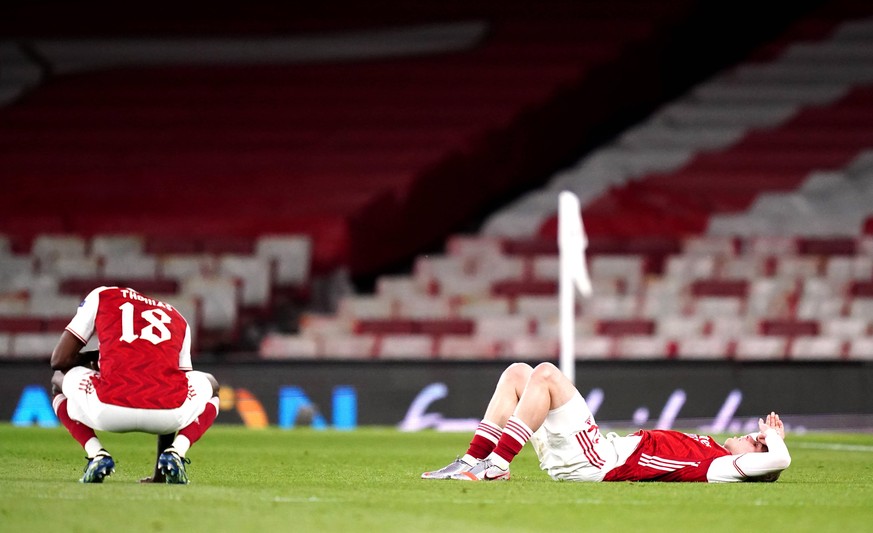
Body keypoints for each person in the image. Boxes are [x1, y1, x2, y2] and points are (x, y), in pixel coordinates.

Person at [422, 362, 790, 483]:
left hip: (597, 459)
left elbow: (779, 462)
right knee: (519, 373)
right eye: (757, 436)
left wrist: (774, 440)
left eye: (755, 442)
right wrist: (767, 439)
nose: (751, 436)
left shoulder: (723, 467)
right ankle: (473, 460)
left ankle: (498, 465)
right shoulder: (711, 448)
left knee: (547, 374)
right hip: (589, 455)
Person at [50, 286, 220, 484]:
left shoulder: (102, 296)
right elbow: (177, 384)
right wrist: (159, 477)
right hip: (168, 415)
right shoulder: (177, 316)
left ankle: (96, 454)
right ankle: (176, 453)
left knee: (57, 380)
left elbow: (59, 360)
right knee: (212, 385)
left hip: (107, 408)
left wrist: (97, 357)